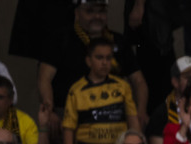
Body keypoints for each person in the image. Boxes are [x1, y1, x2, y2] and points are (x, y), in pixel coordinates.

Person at [39, 0, 147, 133]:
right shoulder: (61, 39)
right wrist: (50, 110)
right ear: (77, 13)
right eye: (90, 11)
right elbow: (44, 78)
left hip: (113, 114)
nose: (97, 16)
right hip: (68, 115)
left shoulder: (119, 41)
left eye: (101, 11)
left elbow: (139, 81)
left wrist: (141, 111)